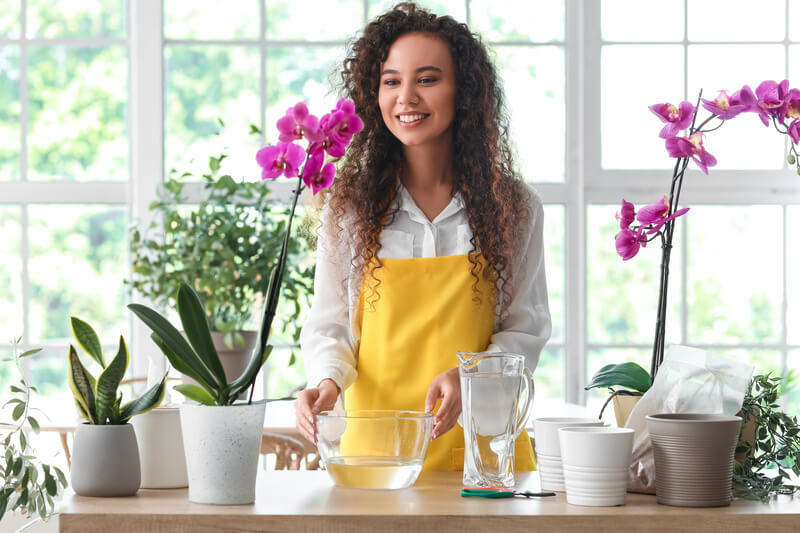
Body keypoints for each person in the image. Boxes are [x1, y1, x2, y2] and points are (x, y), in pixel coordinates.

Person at [295, 2, 551, 472]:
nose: (406, 97)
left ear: (465, 93)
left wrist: (470, 377)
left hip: (483, 458)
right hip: (374, 461)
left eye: (427, 79)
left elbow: (525, 330)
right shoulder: (348, 209)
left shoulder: (513, 208)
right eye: (391, 81)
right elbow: (329, 326)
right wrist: (326, 383)